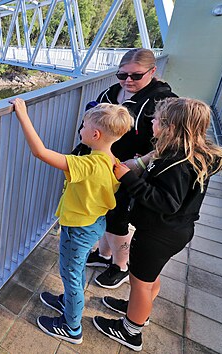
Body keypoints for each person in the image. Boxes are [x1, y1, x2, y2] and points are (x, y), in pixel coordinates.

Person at [93, 98, 222, 351]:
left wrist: (129, 180)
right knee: (147, 278)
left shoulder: (176, 164)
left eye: (156, 120)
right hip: (172, 232)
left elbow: (167, 202)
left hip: (159, 233)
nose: (152, 122)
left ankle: (130, 331)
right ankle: (138, 310)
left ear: (170, 127)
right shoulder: (183, 154)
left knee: (141, 283)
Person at [10, 98, 132, 344]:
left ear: (95, 134)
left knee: (72, 276)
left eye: (83, 125)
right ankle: (67, 303)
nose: (80, 129)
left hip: (79, 229)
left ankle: (71, 326)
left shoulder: (88, 164)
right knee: (72, 271)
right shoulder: (112, 161)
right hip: (93, 222)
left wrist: (22, 114)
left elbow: (40, 152)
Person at [82, 48, 178, 289]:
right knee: (106, 212)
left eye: (136, 76)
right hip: (104, 167)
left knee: (118, 217)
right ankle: (104, 256)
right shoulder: (111, 93)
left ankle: (121, 265)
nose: (128, 81)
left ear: (153, 71)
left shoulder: (163, 101)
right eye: (122, 75)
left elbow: (169, 144)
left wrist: (139, 163)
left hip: (130, 171)